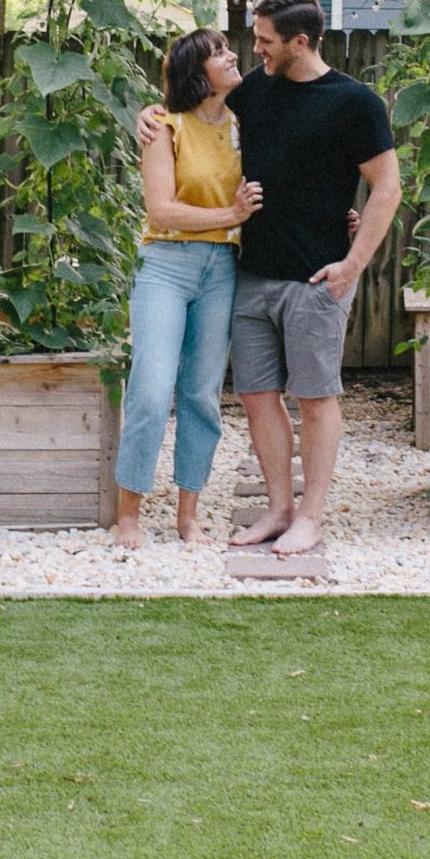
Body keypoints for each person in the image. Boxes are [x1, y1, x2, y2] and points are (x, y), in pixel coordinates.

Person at [141, 0, 399, 557]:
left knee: (316, 396)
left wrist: (353, 265)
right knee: (258, 396)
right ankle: (279, 509)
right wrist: (151, 112)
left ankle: (311, 516)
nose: (254, 49)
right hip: (251, 273)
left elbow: (388, 186)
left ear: (299, 42)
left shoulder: (354, 103)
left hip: (317, 275)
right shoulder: (255, 92)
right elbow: (194, 104)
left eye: (264, 41)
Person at [113, 29, 264, 549]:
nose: (233, 55)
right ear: (197, 73)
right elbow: (161, 210)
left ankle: (187, 516)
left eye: (228, 48)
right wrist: (231, 215)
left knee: (200, 393)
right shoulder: (164, 126)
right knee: (151, 388)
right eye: (219, 52)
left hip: (222, 268)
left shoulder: (247, 124)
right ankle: (128, 513)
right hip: (166, 266)